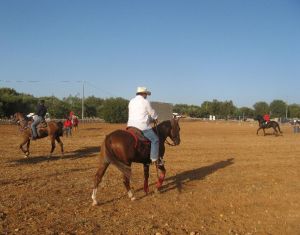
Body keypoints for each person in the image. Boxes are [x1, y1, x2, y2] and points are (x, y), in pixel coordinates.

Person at [127, 87, 161, 165]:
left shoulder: (131, 101)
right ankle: (154, 159)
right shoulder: (145, 102)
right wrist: (156, 118)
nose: (146, 96)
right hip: (142, 127)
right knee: (155, 139)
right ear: (143, 94)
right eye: (146, 94)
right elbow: (152, 113)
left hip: (130, 126)